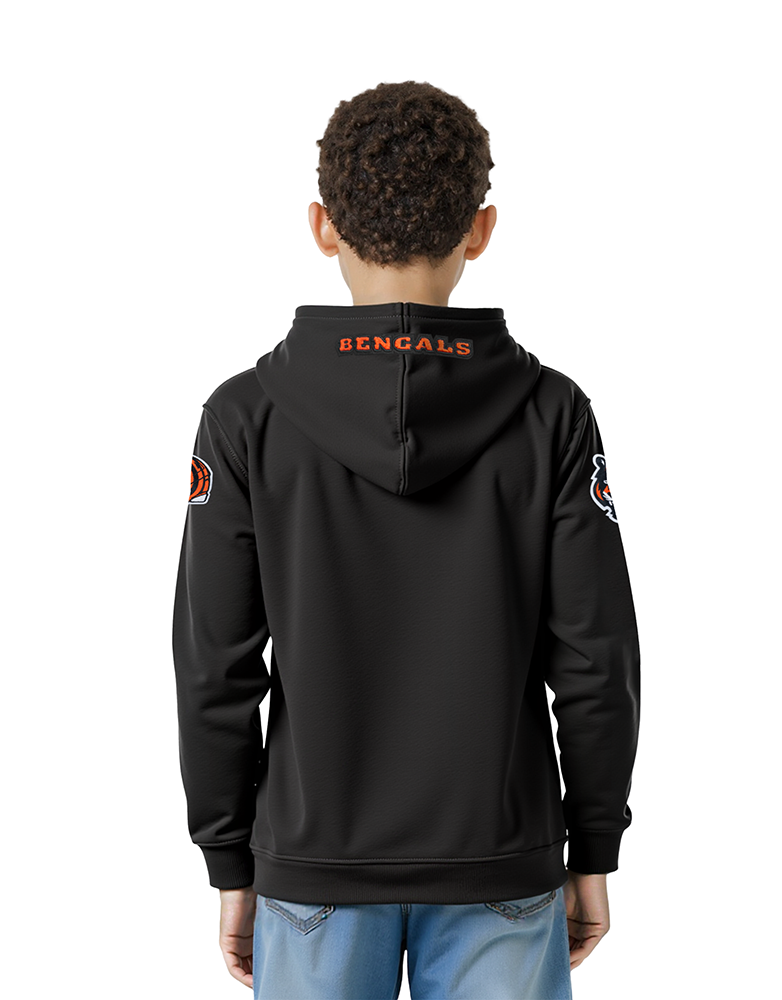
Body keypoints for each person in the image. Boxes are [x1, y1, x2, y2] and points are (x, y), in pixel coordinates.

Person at [172, 80, 641, 999]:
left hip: (312, 866)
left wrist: (230, 861)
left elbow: (213, 667)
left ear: (322, 226)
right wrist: (593, 848)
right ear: (481, 229)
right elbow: (597, 658)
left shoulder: (244, 418)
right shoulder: (552, 414)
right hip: (503, 858)